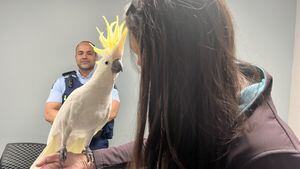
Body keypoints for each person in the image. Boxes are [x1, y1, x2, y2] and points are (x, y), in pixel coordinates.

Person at [36, 0, 300, 169]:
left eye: (144, 60)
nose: (140, 69)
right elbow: (163, 143)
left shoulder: (271, 158)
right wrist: (88, 160)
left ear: (181, 61)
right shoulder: (209, 108)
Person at [44, 40, 120, 150]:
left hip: (96, 145)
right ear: (76, 57)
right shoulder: (62, 82)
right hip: (66, 143)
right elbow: (49, 112)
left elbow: (111, 112)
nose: (84, 56)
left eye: (89, 53)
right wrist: (75, 128)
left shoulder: (108, 83)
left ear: (96, 57)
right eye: (80, 53)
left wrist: (75, 122)